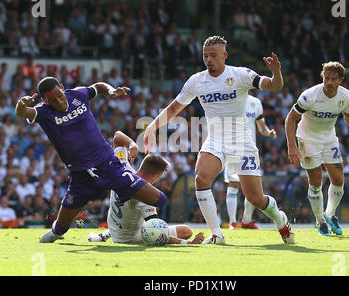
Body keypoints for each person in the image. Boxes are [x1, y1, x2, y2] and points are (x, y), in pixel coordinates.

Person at [144, 36, 294, 244]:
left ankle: (281, 219)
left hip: (241, 142)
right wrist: (152, 127)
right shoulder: (197, 81)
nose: (209, 60)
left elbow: (273, 86)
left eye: (213, 55)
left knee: (255, 198)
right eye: (205, 55)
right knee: (201, 179)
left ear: (224, 55)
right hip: (215, 140)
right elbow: (173, 109)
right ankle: (217, 234)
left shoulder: (241, 75)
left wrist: (276, 71)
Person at [15, 77, 168, 243]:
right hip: (81, 175)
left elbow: (98, 86)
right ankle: (57, 232)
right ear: (45, 100)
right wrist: (21, 104)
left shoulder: (78, 95)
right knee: (60, 228)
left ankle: (142, 224)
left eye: (60, 95)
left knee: (160, 199)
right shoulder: (43, 112)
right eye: (52, 100)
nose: (58, 101)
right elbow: (23, 113)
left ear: (62, 87)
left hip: (108, 165)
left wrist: (111, 91)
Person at [284, 61, 349, 236]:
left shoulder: (346, 96)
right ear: (322, 77)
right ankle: (320, 221)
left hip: (329, 139)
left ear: (341, 80)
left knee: (338, 179)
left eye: (333, 79)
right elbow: (290, 119)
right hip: (307, 139)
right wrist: (291, 145)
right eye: (326, 78)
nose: (329, 82)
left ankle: (330, 215)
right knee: (316, 182)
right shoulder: (310, 95)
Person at [88, 130, 204, 245]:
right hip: (129, 238)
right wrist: (187, 243)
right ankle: (107, 234)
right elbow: (156, 233)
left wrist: (132, 144)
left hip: (115, 230)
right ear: (155, 176)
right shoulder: (145, 195)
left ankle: (106, 234)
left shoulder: (122, 167)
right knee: (186, 231)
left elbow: (117, 136)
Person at [224, 94, 277, 230]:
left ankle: (247, 220)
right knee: (234, 183)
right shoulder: (230, 99)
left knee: (253, 188)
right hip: (233, 148)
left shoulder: (255, 102)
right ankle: (232, 222)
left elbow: (261, 126)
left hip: (250, 150)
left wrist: (269, 132)